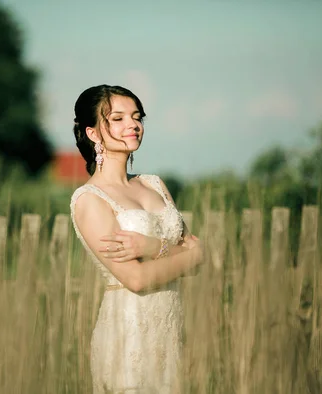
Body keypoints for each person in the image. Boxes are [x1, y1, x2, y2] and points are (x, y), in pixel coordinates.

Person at [69, 84, 204, 393]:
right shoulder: (90, 199)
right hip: (129, 334)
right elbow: (137, 278)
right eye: (117, 118)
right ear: (92, 133)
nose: (133, 125)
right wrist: (190, 254)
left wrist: (153, 247)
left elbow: (198, 256)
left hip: (172, 328)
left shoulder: (154, 184)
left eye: (136, 116)